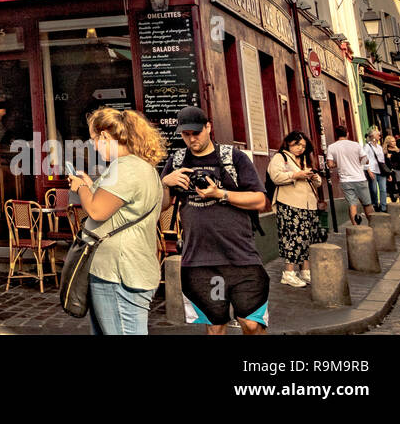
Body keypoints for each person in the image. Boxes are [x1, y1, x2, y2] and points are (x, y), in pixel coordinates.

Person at [160, 106, 269, 335]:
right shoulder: (177, 162)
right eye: (185, 134)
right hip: (200, 262)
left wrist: (220, 194)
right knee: (215, 326)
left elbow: (260, 200)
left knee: (251, 324)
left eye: (196, 133)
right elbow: (162, 207)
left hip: (241, 258)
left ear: (208, 127)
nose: (191, 139)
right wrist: (165, 183)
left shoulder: (233, 158)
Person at [67, 108, 165, 335]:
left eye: (93, 139)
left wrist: (81, 187)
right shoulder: (142, 167)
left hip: (117, 272)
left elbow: (97, 211)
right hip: (129, 266)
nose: (93, 146)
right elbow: (119, 209)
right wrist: (90, 186)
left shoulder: (124, 168)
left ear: (104, 136)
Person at [267, 131, 322, 288]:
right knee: (292, 238)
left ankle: (305, 270)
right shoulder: (281, 158)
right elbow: (275, 177)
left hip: (308, 204)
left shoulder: (305, 159)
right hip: (289, 202)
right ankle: (288, 273)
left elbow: (317, 184)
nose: (300, 148)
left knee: (307, 238)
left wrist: (314, 177)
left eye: (303, 146)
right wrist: (296, 174)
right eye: (297, 144)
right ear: (288, 143)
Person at [326, 126, 373, 224]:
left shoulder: (331, 147)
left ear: (336, 135)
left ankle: (356, 228)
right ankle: (373, 225)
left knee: (352, 204)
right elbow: (365, 160)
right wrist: (359, 162)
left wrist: (338, 163)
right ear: (347, 133)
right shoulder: (355, 145)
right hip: (360, 178)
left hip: (345, 180)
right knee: (367, 204)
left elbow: (330, 165)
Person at [365, 128, 388, 210]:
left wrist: (387, 172)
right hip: (372, 170)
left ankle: (383, 207)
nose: (380, 136)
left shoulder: (379, 147)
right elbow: (365, 160)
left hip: (381, 171)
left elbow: (382, 161)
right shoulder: (367, 146)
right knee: (374, 190)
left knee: (383, 189)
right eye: (378, 135)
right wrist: (368, 171)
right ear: (373, 136)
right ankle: (375, 205)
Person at [384, 134, 400, 201]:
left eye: (394, 141)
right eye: (392, 141)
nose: (394, 142)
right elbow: (385, 164)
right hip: (392, 172)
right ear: (388, 143)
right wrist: (387, 158)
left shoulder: (399, 151)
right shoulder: (386, 152)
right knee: (393, 191)